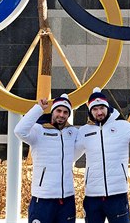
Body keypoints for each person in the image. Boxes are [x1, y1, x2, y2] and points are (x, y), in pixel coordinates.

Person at [75, 87, 130, 223]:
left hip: (117, 195)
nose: (99, 112)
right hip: (92, 196)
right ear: (90, 111)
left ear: (108, 108)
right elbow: (69, 157)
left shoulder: (122, 126)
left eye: (102, 108)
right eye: (95, 109)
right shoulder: (84, 131)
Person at [14, 94, 77, 223]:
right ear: (53, 111)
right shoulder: (38, 130)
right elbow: (19, 131)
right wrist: (38, 109)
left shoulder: (72, 132)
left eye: (65, 112)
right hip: (43, 198)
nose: (61, 115)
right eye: (58, 110)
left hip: (67, 198)